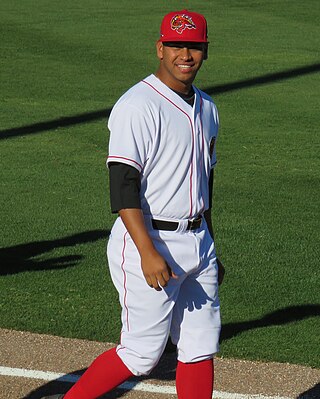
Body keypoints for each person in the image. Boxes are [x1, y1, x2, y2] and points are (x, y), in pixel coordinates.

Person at [42, 9, 225, 399]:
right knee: (142, 354)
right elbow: (123, 185)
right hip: (149, 238)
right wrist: (146, 251)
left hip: (198, 240)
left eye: (194, 46)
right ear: (160, 48)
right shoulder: (138, 104)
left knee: (200, 346)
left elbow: (204, 183)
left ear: (206, 52)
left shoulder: (208, 108)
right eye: (177, 45)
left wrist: (211, 244)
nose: (185, 54)